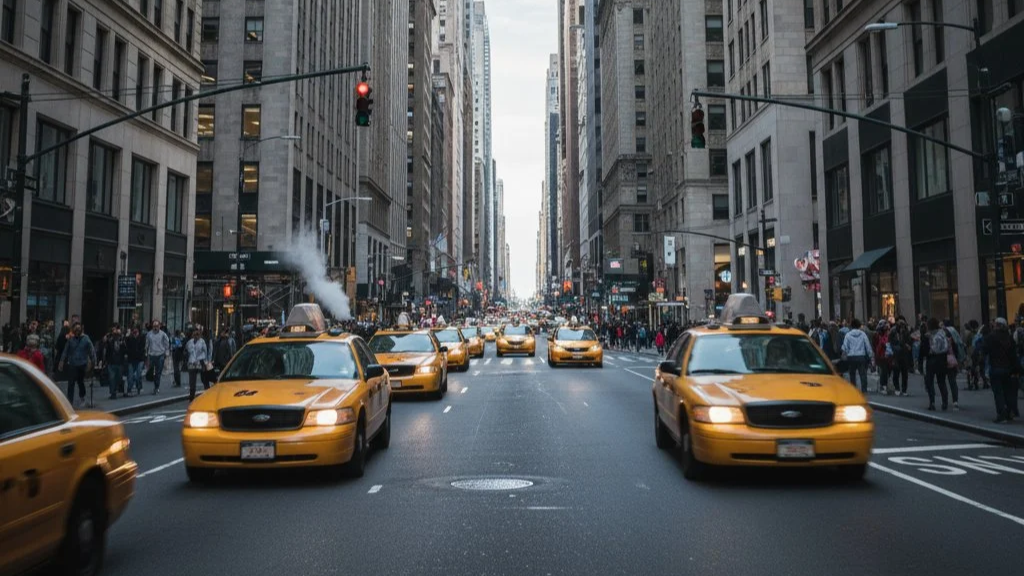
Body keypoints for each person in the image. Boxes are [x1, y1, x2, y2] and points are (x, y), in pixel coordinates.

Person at [983, 318, 1019, 423]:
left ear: (996, 325)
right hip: (1007, 369)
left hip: (995, 368)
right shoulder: (1009, 338)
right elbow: (1013, 355)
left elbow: (984, 350)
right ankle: (1009, 412)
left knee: (998, 392)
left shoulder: (991, 337)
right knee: (1008, 391)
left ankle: (1001, 414)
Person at [58, 322, 96, 406]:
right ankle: (70, 401)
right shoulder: (70, 339)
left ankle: (82, 397)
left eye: (78, 329)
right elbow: (65, 350)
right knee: (70, 383)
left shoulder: (86, 338)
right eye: (75, 329)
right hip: (72, 364)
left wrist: (93, 362)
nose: (77, 330)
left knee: (80, 382)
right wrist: (61, 361)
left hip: (82, 364)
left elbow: (91, 350)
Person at [924, 317, 954, 411]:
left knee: (930, 381)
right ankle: (944, 402)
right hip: (942, 359)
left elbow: (931, 349)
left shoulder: (930, 336)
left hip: (932, 359)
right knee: (941, 381)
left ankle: (932, 402)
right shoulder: (943, 334)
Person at [840, 318, 873, 392]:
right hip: (861, 356)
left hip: (851, 357)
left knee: (852, 375)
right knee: (863, 374)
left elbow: (845, 346)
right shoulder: (863, 334)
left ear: (851, 326)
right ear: (859, 325)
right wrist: (871, 356)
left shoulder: (848, 335)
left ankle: (853, 390)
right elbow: (868, 346)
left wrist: (845, 353)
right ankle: (864, 390)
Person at [102, 325, 128, 399]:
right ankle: (113, 393)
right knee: (111, 378)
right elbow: (106, 351)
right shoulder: (110, 341)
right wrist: (105, 361)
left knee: (118, 378)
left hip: (119, 363)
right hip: (111, 362)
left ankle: (116, 389)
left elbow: (125, 351)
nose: (116, 336)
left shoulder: (122, 342)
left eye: (117, 335)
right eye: (115, 335)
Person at [145, 319, 170, 395]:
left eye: (157, 326)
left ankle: (156, 387)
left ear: (159, 326)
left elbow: (167, 344)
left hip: (160, 355)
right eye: (154, 326)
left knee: (158, 372)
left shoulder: (163, 334)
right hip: (152, 355)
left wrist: (166, 353)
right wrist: (146, 354)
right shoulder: (149, 334)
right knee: (151, 371)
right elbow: (147, 344)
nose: (155, 327)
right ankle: (153, 382)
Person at [186, 329, 211, 401]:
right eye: (195, 334)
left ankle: (208, 393)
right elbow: (187, 351)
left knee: (204, 378)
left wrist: (207, 361)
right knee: (192, 380)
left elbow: (206, 352)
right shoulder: (189, 342)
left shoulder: (202, 342)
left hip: (201, 361)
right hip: (192, 362)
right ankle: (192, 396)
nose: (196, 335)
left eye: (197, 334)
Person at [125, 326, 146, 396]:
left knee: (138, 375)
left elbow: (142, 347)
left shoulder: (142, 338)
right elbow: (126, 346)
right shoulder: (129, 339)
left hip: (139, 359)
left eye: (136, 331)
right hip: (131, 359)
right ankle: (129, 389)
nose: (135, 332)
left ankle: (139, 387)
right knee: (130, 376)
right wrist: (127, 337)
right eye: (134, 331)